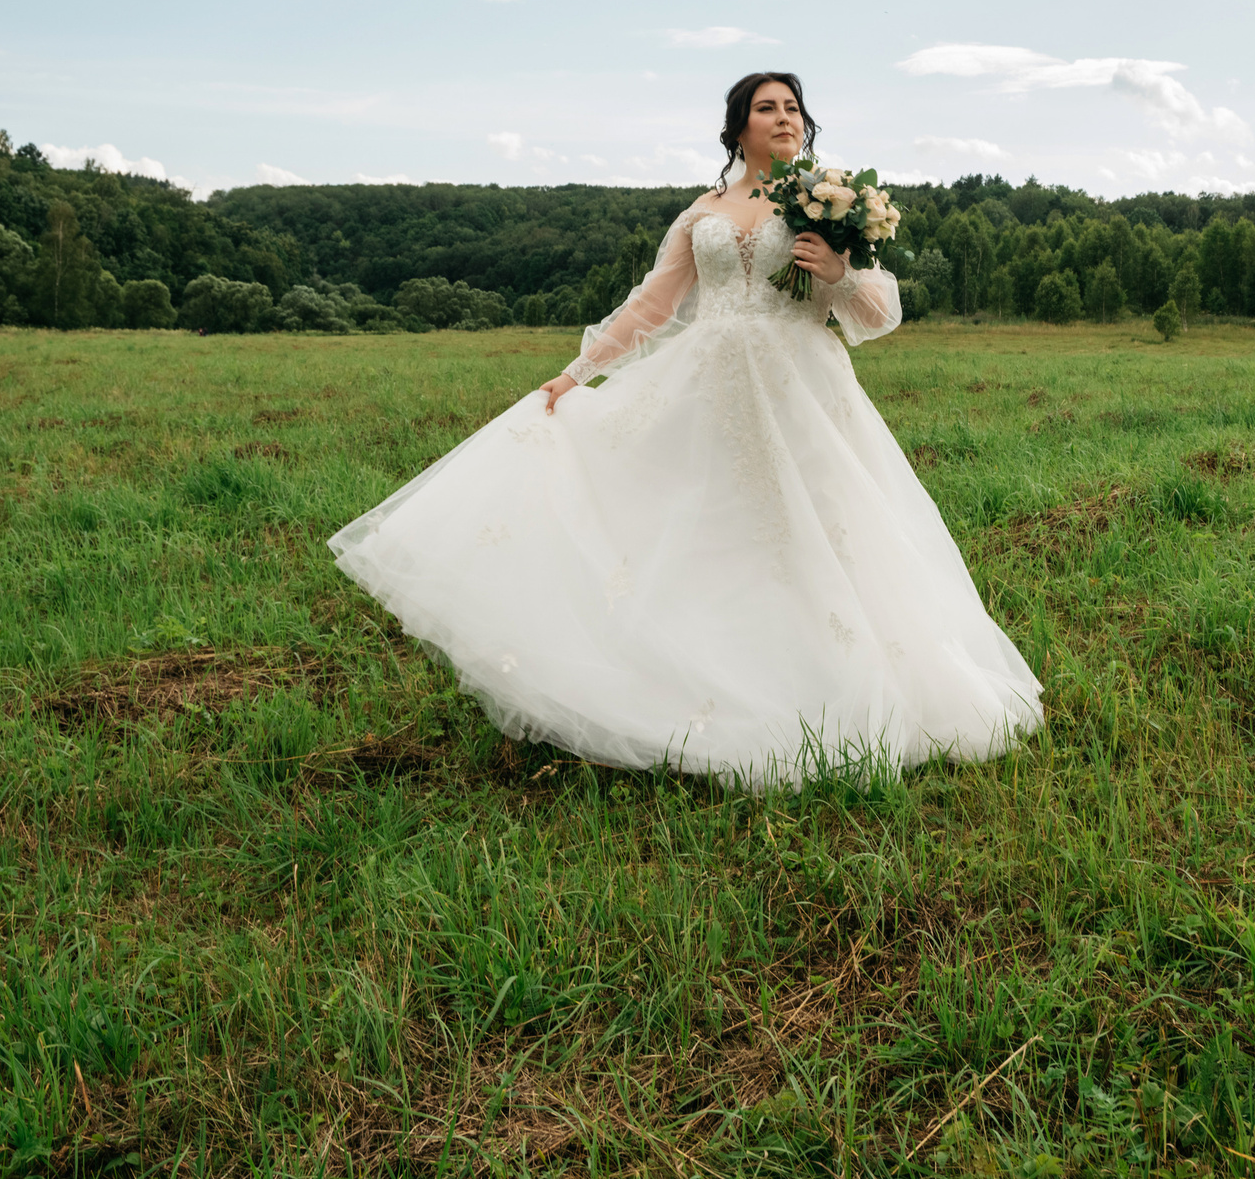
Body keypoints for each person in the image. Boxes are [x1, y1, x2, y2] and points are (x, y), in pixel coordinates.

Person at [326, 73, 1042, 788]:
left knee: (820, 527)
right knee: (709, 527)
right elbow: (652, 306)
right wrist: (574, 376)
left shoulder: (831, 204)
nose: (784, 118)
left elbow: (877, 314)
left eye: (793, 108)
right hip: (710, 385)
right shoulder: (702, 211)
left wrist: (838, 272)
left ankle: (840, 683)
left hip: (802, 388)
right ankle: (700, 680)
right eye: (767, 108)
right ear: (738, 128)